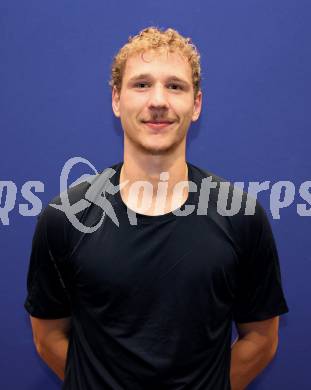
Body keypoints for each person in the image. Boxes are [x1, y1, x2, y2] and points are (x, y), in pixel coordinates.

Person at [24, 27, 289, 390]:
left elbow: (261, 339)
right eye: (142, 84)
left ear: (196, 104)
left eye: (175, 86)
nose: (158, 101)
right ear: (116, 100)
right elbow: (48, 336)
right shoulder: (65, 217)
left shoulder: (240, 216)